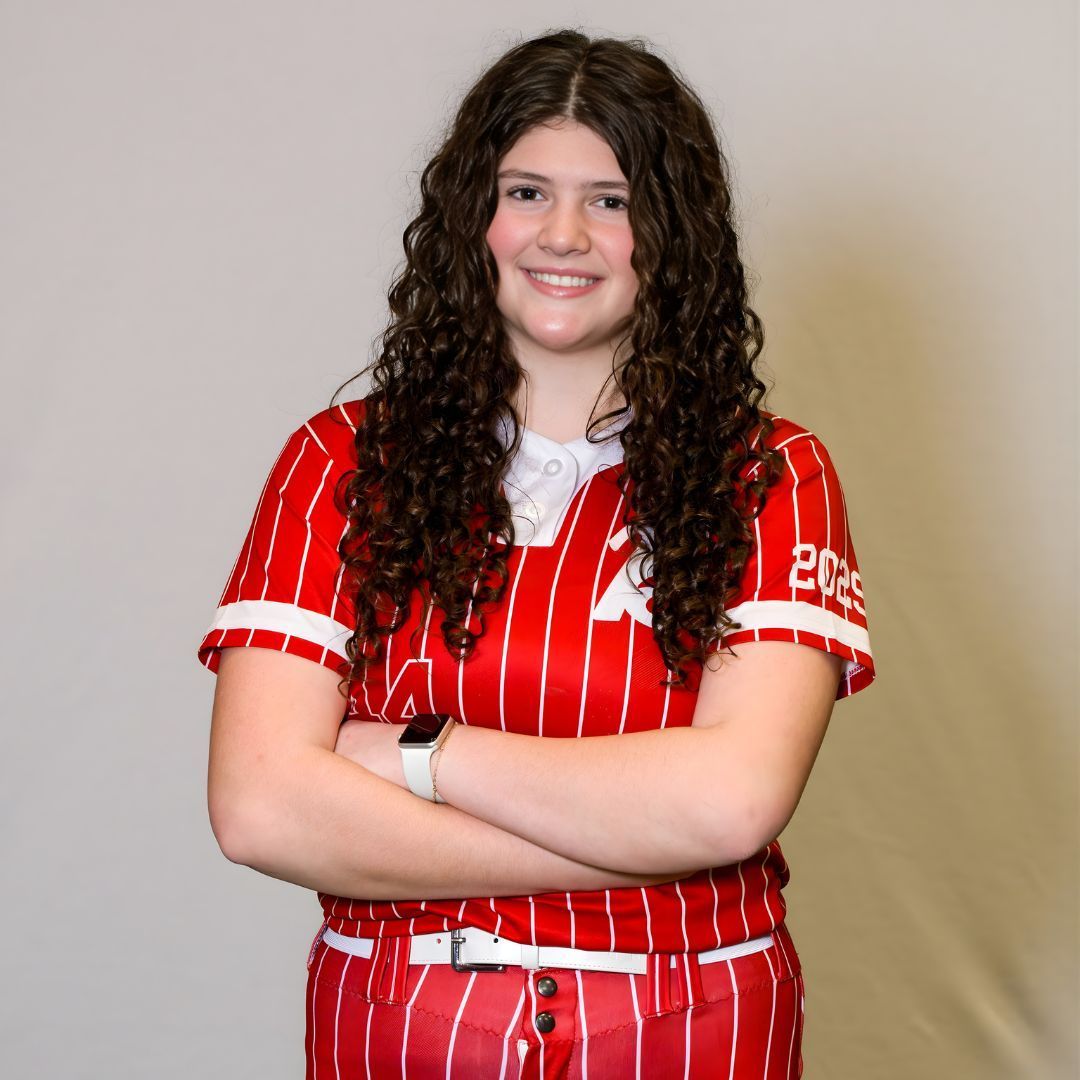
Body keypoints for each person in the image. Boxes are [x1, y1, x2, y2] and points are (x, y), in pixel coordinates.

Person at [197, 29, 875, 1080]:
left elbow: (732, 800)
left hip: (692, 1025)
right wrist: (646, 849)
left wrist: (422, 754)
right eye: (526, 192)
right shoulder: (339, 461)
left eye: (610, 199)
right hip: (405, 1023)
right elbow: (259, 807)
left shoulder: (773, 474)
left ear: (671, 232)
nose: (564, 234)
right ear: (473, 217)